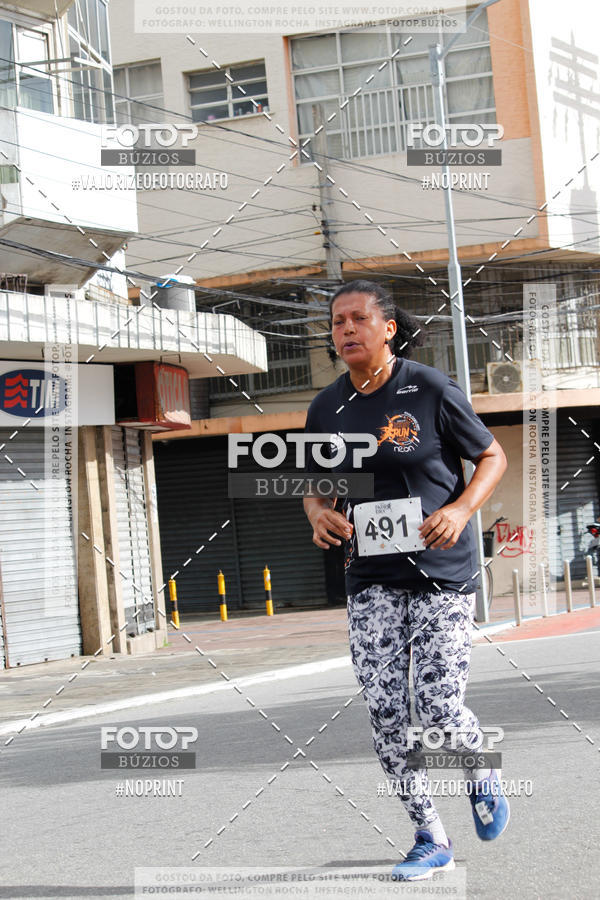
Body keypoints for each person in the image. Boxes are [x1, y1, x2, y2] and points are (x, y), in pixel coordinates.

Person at [302, 280, 509, 881]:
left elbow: (491, 457)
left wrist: (461, 509)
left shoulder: (430, 388)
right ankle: (430, 836)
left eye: (358, 319)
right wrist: (318, 512)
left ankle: (481, 770)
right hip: (371, 575)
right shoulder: (327, 408)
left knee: (439, 705)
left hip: (440, 570)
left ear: (387, 328)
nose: (345, 329)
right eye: (338, 321)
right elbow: (314, 483)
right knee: (387, 711)